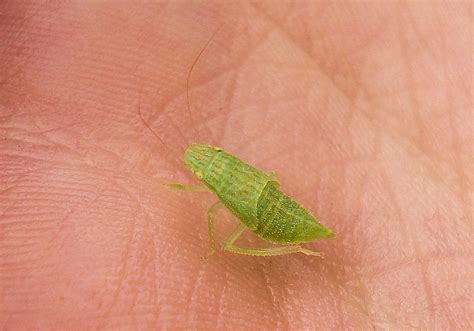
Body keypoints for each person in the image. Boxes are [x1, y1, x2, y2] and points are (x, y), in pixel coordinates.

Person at [1, 2, 471, 329]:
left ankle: (298, 247)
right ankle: (300, 245)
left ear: (207, 166)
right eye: (202, 166)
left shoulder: (209, 177)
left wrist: (210, 227)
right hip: (267, 202)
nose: (199, 164)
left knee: (227, 243)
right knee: (238, 233)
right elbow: (251, 177)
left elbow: (216, 202)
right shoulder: (215, 164)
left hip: (270, 211)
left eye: (201, 164)